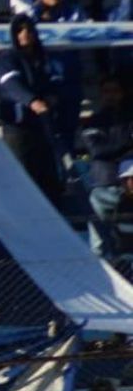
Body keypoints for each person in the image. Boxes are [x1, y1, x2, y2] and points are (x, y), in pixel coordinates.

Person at [0, 13, 67, 199]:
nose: (25, 34)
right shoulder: (6, 59)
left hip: (43, 126)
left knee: (48, 176)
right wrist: (32, 101)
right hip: (18, 129)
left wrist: (52, 98)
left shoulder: (45, 58)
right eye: (19, 30)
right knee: (23, 177)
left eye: (28, 29)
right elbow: (11, 85)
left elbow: (57, 81)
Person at [33, 0, 89, 147]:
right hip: (45, 83)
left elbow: (87, 32)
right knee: (45, 135)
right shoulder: (32, 15)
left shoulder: (74, 12)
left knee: (68, 132)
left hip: (70, 81)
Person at [80, 78, 133, 257]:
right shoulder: (92, 121)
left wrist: (114, 148)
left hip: (130, 187)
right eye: (106, 91)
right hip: (104, 185)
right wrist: (127, 144)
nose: (111, 95)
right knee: (99, 241)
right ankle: (102, 269)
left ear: (122, 93)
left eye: (115, 90)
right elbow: (97, 150)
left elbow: (106, 149)